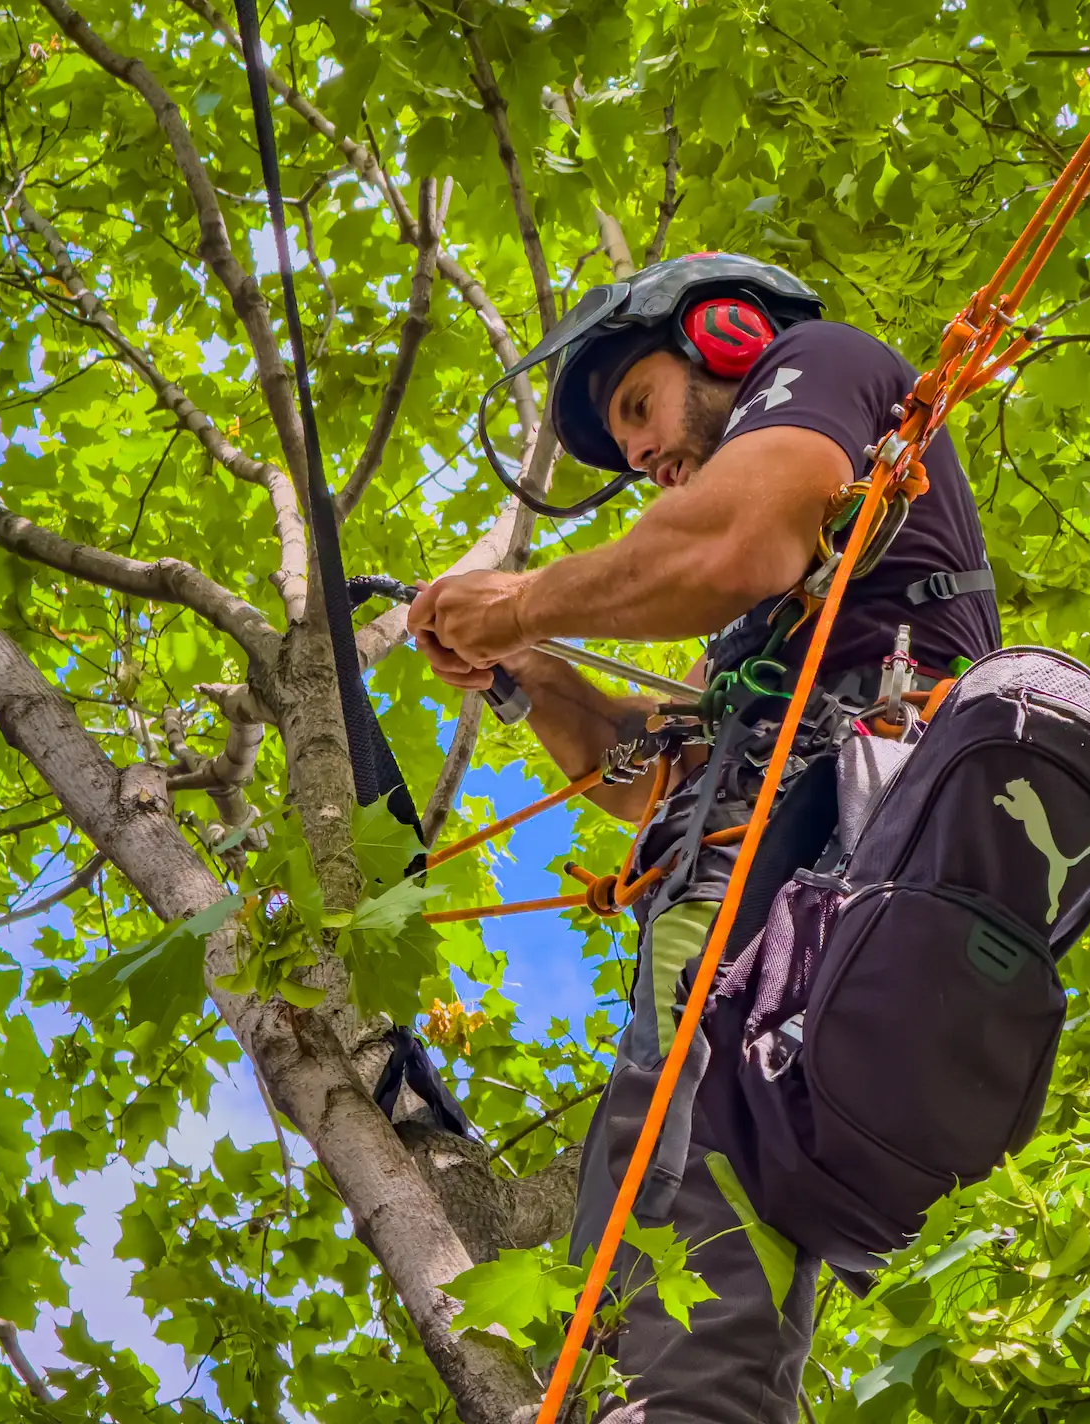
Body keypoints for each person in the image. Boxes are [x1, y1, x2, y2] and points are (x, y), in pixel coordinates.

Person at [407, 253, 1000, 1423]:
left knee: (697, 1189)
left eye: (639, 405)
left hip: (808, 858)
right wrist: (528, 672)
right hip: (769, 867)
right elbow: (651, 774)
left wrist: (523, 599)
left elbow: (736, 541)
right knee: (657, 1208)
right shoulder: (764, 629)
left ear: (728, 336)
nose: (639, 454)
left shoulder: (820, 367)